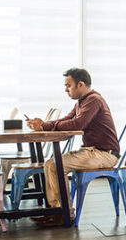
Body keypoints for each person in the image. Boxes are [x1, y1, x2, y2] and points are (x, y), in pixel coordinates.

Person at [26, 68, 120, 226]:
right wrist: (43, 126)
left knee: (55, 165)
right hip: (93, 151)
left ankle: (62, 214)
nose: (66, 90)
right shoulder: (81, 103)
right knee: (51, 164)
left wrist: (45, 126)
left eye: (68, 86)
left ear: (80, 84)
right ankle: (56, 211)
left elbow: (77, 124)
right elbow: (67, 119)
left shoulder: (94, 100)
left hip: (104, 154)